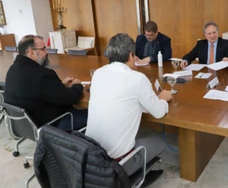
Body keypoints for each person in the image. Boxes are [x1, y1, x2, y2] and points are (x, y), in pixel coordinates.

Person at [86, 33, 172, 178]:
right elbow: (158, 112)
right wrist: (163, 99)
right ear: (131, 55)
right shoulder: (137, 78)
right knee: (159, 143)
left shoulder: (98, 73)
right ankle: (134, 177)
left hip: (90, 156)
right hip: (115, 165)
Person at [4, 35, 87, 130]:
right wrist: (77, 85)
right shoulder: (42, 75)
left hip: (28, 128)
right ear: (31, 53)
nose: (47, 52)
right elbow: (71, 98)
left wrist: (59, 86)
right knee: (97, 116)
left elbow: (37, 90)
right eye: (43, 49)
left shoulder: (13, 69)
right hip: (54, 125)